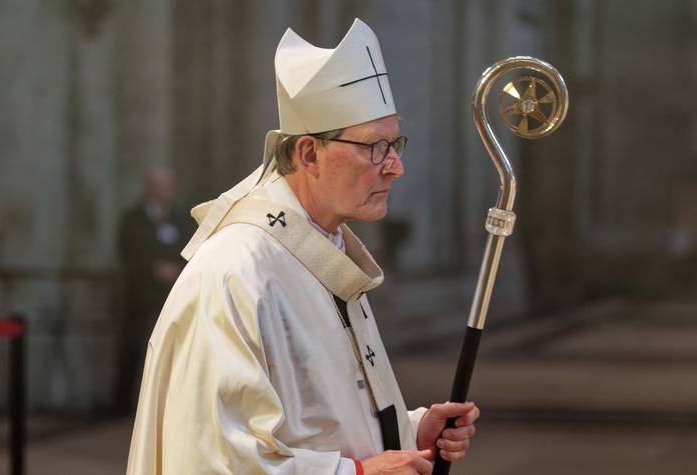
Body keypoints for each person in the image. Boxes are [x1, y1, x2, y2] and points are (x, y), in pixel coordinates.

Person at [127, 19, 479, 475]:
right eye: (374, 147)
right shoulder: (236, 271)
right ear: (309, 154)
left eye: (396, 143)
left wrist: (411, 432)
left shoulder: (321, 250)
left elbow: (318, 416)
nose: (395, 168)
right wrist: (356, 474)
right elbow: (213, 455)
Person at [116, 166, 194, 413]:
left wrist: (178, 269)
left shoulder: (181, 219)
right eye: (160, 187)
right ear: (149, 188)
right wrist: (154, 268)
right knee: (134, 348)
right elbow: (130, 250)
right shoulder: (133, 218)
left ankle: (170, 407)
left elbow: (190, 247)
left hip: (172, 294)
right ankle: (123, 407)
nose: (165, 192)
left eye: (168, 187)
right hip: (141, 296)